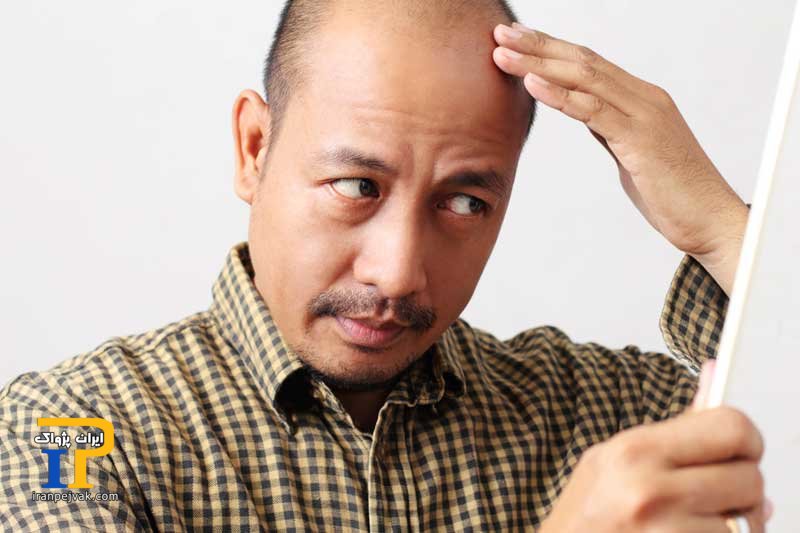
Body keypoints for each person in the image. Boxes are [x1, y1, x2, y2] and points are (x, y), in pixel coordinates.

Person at [0, 1, 770, 531]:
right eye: (356, 186)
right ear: (254, 149)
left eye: (464, 202)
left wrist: (723, 229)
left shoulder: (612, 418)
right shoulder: (73, 429)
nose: (399, 273)